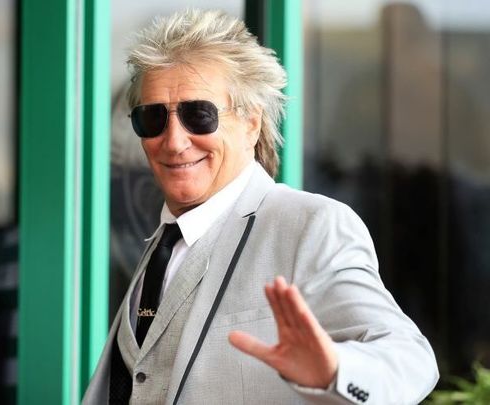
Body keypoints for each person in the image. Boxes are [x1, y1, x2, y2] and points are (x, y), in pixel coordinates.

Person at [84, 8, 438, 404]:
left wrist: (335, 370)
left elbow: (409, 356)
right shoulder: (165, 241)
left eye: (198, 115)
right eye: (152, 118)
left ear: (252, 123)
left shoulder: (309, 225)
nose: (174, 141)